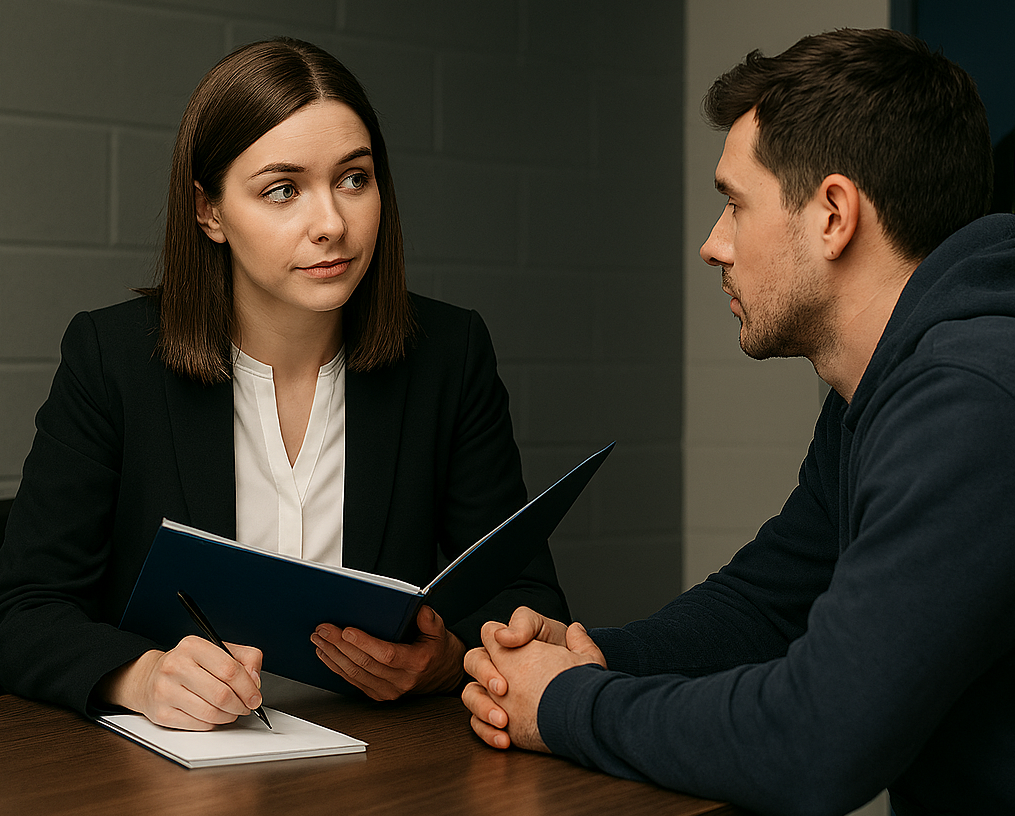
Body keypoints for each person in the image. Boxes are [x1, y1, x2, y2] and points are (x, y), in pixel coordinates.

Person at [462, 27, 1015, 816]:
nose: (711, 244)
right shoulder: (888, 380)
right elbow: (766, 604)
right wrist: (595, 656)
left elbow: (814, 740)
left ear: (832, 214)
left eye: (733, 204)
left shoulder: (968, 398)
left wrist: (562, 704)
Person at [0, 38, 569, 730]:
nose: (330, 223)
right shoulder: (113, 356)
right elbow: (22, 607)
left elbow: (528, 596)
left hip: (381, 763)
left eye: (353, 179)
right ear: (209, 212)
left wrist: (445, 660)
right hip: (174, 773)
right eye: (282, 189)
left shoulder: (448, 354)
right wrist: (140, 675)